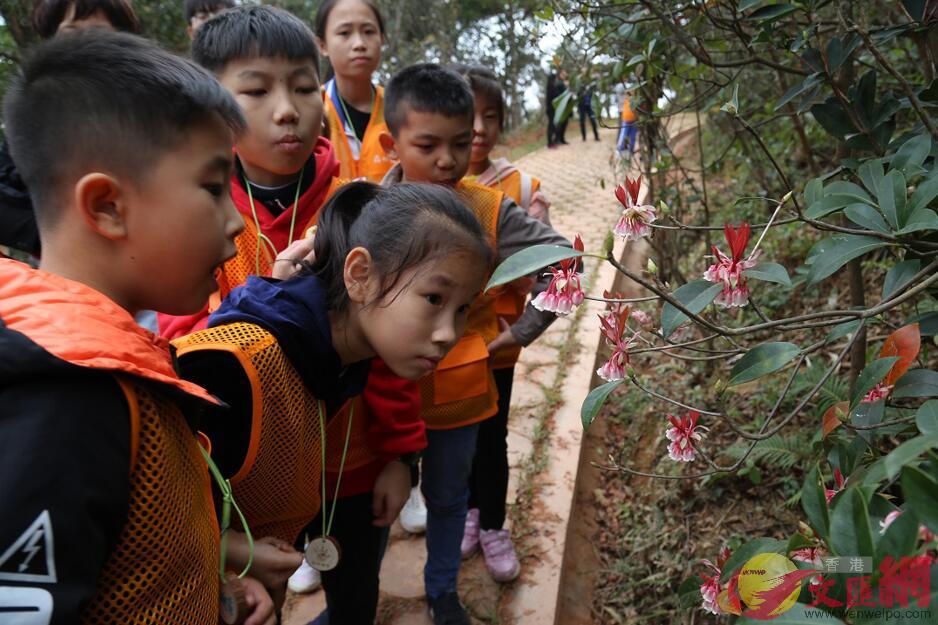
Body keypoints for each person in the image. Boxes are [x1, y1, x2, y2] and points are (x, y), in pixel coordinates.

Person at [0, 31, 275, 625]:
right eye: (210, 187)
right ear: (106, 206)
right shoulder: (66, 399)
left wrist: (213, 589)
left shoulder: (113, 353)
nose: (234, 222)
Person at [169, 6, 426, 613]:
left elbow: (391, 338)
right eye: (255, 90)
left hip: (353, 463)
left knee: (356, 593)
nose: (287, 109)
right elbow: (182, 354)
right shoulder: (190, 217)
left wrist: (398, 454)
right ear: (213, 107)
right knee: (265, 602)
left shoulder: (355, 210)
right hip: (248, 481)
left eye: (304, 87)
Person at [173, 182, 491, 621]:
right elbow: (138, 505)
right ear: (359, 275)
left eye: (461, 309)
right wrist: (232, 549)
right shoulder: (237, 363)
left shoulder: (337, 358)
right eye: (434, 298)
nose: (448, 334)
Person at [379, 63, 571, 625]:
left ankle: (442, 590)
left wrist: (519, 332)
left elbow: (564, 263)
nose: (447, 160)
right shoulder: (366, 211)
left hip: (460, 395)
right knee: (378, 505)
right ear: (392, 143)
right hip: (380, 399)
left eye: (460, 144)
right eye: (428, 145)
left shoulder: (490, 211)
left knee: (448, 495)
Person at [451, 63, 551, 584]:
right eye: (470, 115)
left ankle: (492, 523)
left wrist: (522, 332)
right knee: (452, 436)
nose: (480, 127)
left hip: (497, 344)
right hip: (444, 346)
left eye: (491, 116)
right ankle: (468, 511)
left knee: (490, 437)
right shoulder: (433, 181)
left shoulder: (517, 185)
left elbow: (557, 269)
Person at [0, 0, 140, 260]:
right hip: (64, 265)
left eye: (98, 32)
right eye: (71, 32)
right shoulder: (32, 106)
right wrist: (54, 237)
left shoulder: (149, 102)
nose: (85, 43)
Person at [315, 0, 395, 181]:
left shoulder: (400, 108)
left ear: (382, 38)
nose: (359, 43)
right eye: (344, 33)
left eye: (368, 32)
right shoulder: (312, 107)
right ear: (322, 45)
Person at [617, 88, 638, 156]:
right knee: (624, 135)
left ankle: (631, 150)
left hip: (634, 121)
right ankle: (620, 149)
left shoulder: (635, 101)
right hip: (626, 121)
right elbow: (622, 93)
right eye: (629, 94)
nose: (630, 95)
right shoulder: (625, 100)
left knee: (632, 136)